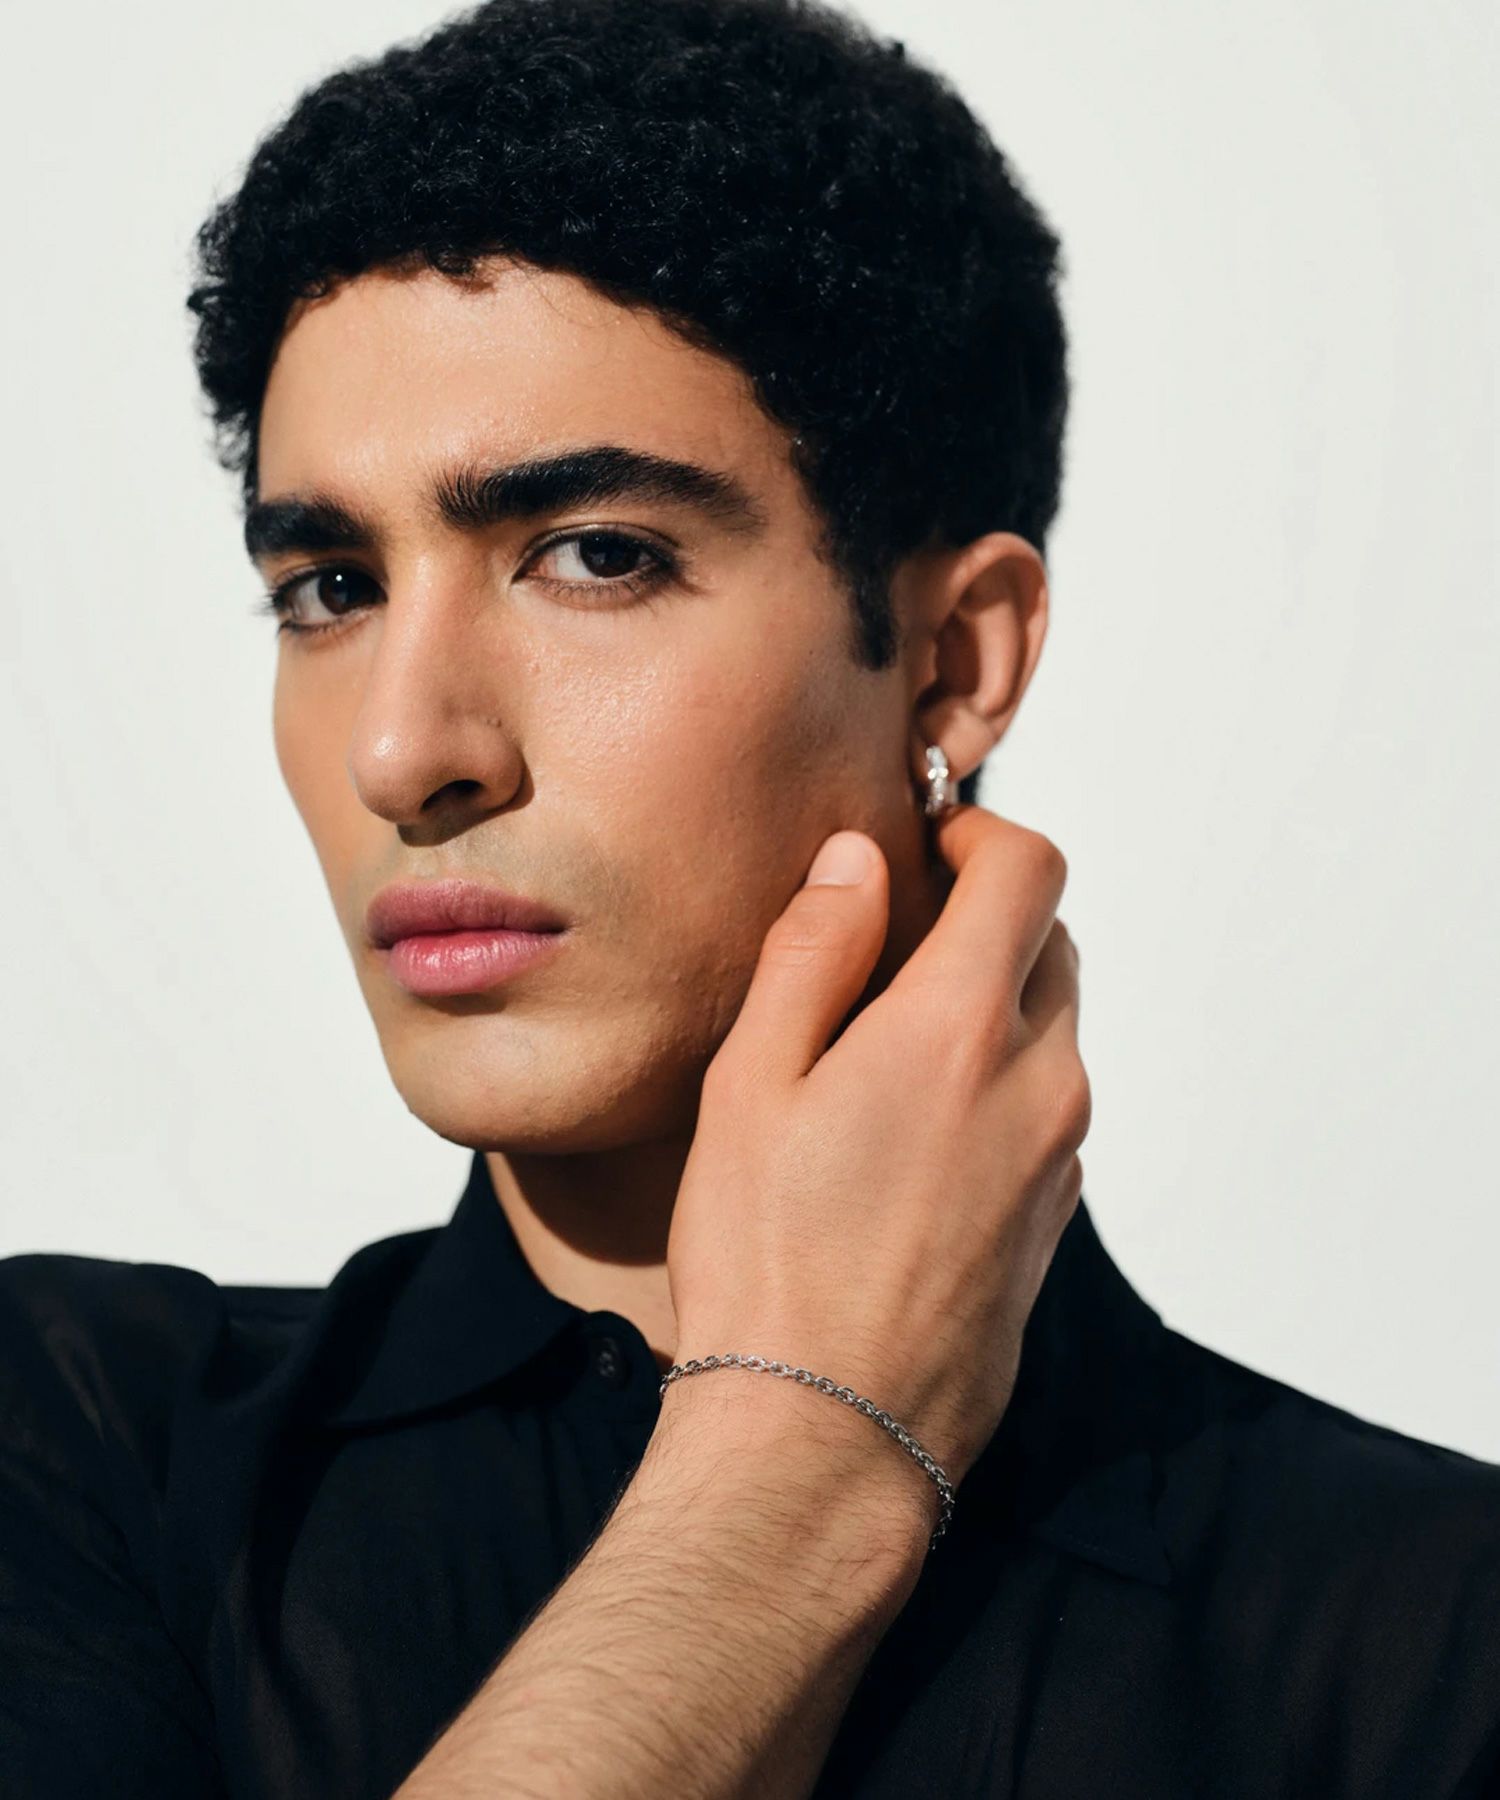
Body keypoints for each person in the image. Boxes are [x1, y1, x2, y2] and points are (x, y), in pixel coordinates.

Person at [2, 0, 1496, 1793]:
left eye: (593, 555)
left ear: (952, 661)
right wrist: (796, 1466)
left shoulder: (1437, 1637)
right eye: (331, 585)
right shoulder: (78, 1443)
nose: (403, 750)